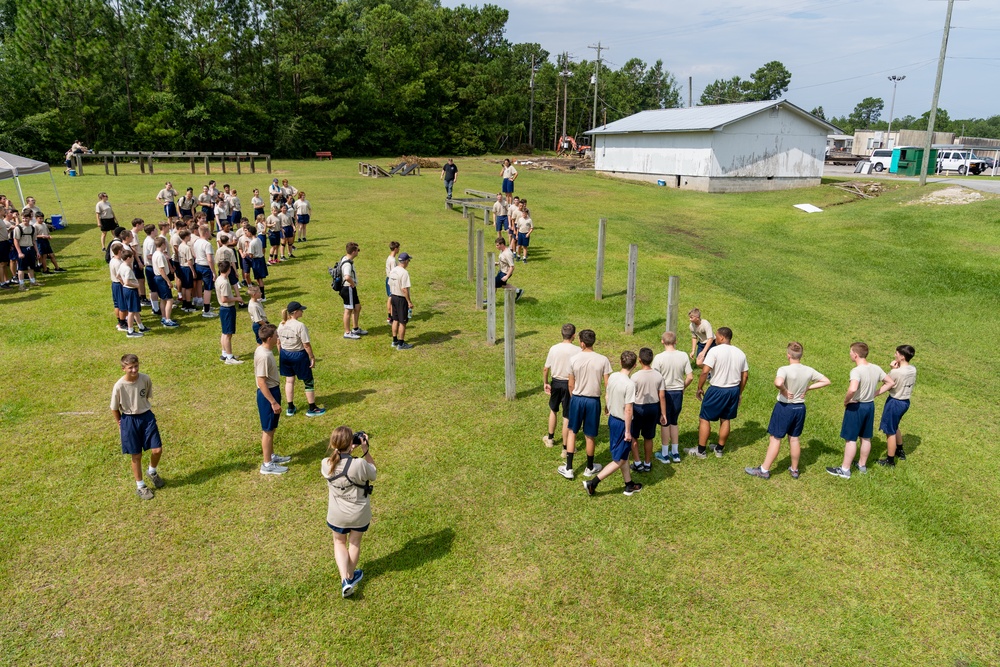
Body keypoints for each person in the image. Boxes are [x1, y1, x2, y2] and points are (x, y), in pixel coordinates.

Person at [745, 342, 830, 480]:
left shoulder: (784, 369)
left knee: (775, 438)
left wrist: (784, 390)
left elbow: (778, 383)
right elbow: (826, 381)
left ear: (788, 355)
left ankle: (764, 470)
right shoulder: (809, 370)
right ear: (800, 355)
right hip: (800, 408)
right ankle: (794, 469)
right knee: (794, 438)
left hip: (785, 408)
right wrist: (808, 388)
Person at [827, 343, 895, 479]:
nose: (850, 354)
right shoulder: (876, 368)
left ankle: (845, 470)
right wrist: (875, 394)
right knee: (866, 437)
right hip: (869, 406)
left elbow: (852, 389)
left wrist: (846, 401)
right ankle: (862, 466)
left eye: (850, 352)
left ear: (855, 355)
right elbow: (890, 383)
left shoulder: (856, 371)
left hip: (856, 406)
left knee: (850, 438)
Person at [322, 426, 376, 598]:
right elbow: (372, 473)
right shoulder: (358, 464)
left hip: (337, 514)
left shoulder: (326, 464)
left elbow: (337, 461)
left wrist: (345, 451)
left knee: (339, 542)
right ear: (350, 444)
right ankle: (349, 578)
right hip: (358, 513)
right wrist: (365, 450)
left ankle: (344, 578)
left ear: (333, 444)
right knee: (354, 543)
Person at [583, 351, 643, 497]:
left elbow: (607, 393)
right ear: (635, 365)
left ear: (620, 362)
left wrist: (607, 406)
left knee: (624, 455)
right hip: (623, 423)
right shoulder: (629, 384)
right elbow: (628, 410)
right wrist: (628, 432)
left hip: (613, 420)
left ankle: (629, 485)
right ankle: (593, 483)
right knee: (620, 459)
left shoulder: (613, 377)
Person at [686, 327, 748, 459]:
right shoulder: (740, 353)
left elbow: (705, 371)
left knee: (704, 418)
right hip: (733, 390)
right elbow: (745, 376)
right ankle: (719, 449)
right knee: (725, 419)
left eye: (716, 337)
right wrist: (739, 392)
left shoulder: (714, 351)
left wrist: (699, 388)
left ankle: (701, 451)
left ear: (722, 338)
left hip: (717, 390)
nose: (715, 339)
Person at [110, 354, 165, 500]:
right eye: (130, 368)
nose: (134, 370)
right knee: (136, 455)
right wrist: (120, 423)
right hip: (129, 420)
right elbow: (114, 408)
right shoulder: (119, 386)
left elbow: (145, 396)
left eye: (136, 366)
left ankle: (152, 471)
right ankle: (141, 486)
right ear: (123, 369)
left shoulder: (145, 379)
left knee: (157, 449)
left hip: (146, 417)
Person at [558, 329, 610, 480]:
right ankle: (589, 467)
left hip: (577, 399)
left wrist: (574, 398)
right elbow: (607, 385)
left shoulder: (573, 359)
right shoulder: (603, 360)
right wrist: (608, 403)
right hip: (593, 401)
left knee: (572, 431)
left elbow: (570, 384)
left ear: (581, 343)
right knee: (590, 435)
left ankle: (569, 468)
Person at [252, 322, 293, 475]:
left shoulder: (263, 349)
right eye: (276, 335)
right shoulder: (264, 356)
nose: (278, 337)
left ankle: (271, 456)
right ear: (269, 338)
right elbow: (261, 381)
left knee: (272, 427)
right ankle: (267, 464)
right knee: (268, 430)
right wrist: (273, 402)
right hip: (268, 394)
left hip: (272, 391)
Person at [277, 301, 326, 417]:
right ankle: (312, 408)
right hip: (298, 355)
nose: (302, 311)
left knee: (289, 380)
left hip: (284, 354)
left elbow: (278, 342)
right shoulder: (300, 326)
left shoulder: (281, 324)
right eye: (301, 310)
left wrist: (281, 354)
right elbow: (306, 345)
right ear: (295, 312)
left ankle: (290, 408)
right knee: (308, 381)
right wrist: (312, 357)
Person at [652, 331, 693, 464]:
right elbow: (690, 376)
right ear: (676, 341)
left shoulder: (659, 358)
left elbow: (654, 378)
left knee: (664, 422)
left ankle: (664, 454)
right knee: (674, 422)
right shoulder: (683, 355)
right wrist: (682, 388)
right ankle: (675, 453)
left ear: (662, 341)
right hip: (677, 393)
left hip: (664, 393)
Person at [629, 348, 668, 473]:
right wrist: (663, 413)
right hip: (653, 408)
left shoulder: (635, 377)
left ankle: (637, 462)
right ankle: (647, 462)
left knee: (634, 436)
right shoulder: (658, 376)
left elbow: (630, 395)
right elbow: (661, 396)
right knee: (648, 437)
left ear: (639, 360)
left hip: (638, 408)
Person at [877, 345, 917, 467]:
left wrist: (891, 369)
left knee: (890, 431)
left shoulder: (896, 372)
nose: (895, 355)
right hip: (905, 402)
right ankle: (900, 451)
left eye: (897, 353)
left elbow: (887, 381)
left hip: (894, 402)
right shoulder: (913, 369)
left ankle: (890, 460)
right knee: (895, 426)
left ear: (902, 357)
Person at [542, 323, 577, 451]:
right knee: (566, 416)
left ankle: (550, 439)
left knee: (553, 410)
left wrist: (546, 382)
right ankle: (565, 447)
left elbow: (546, 368)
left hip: (556, 382)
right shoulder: (577, 350)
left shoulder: (554, 348)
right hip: (569, 384)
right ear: (574, 335)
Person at [214, 260, 243, 364]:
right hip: (227, 309)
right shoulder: (225, 282)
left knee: (224, 332)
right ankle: (229, 358)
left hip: (223, 309)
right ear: (229, 269)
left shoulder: (219, 279)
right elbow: (224, 299)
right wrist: (237, 298)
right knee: (228, 334)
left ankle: (224, 353)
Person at [339, 242, 367, 340]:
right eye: (357, 250)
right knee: (348, 310)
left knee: (357, 307)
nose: (358, 252)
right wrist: (353, 284)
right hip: (348, 288)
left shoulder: (345, 258)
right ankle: (347, 332)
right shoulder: (347, 264)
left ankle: (355, 328)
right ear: (354, 251)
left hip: (350, 288)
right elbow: (347, 277)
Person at [117, 249, 146, 337]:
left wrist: (123, 285)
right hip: (131, 290)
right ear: (129, 258)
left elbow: (118, 276)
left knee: (135, 309)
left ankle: (141, 326)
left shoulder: (122, 265)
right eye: (132, 256)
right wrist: (137, 286)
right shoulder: (127, 269)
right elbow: (127, 282)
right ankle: (130, 331)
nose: (133, 258)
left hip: (126, 290)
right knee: (131, 311)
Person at [150, 237, 179, 327]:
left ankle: (164, 317)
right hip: (162, 278)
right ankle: (167, 319)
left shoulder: (155, 254)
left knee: (163, 299)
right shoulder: (160, 255)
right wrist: (168, 281)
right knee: (169, 299)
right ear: (163, 244)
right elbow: (162, 270)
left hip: (157, 278)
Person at [388, 252, 414, 350]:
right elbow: (404, 289)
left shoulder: (393, 270)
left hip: (393, 296)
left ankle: (394, 340)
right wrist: (409, 302)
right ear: (406, 261)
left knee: (395, 319)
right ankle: (401, 343)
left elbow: (389, 283)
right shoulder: (404, 273)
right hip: (401, 298)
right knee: (403, 322)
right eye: (409, 261)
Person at [192, 224, 217, 317]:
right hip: (206, 267)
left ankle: (205, 306)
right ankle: (206, 311)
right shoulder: (207, 244)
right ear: (206, 232)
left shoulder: (196, 242)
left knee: (201, 286)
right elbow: (210, 259)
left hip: (198, 265)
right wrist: (213, 272)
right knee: (208, 288)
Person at [12, 211, 41, 291]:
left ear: (30, 218)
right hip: (22, 248)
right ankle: (21, 285)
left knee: (31, 266)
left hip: (30, 248)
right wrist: (19, 252)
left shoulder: (32, 228)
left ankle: (33, 282)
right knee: (21, 268)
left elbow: (34, 241)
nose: (24, 219)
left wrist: (37, 252)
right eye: (23, 218)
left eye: (26, 218)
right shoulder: (18, 228)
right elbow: (16, 241)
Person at [492, 237, 523, 302]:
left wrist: (506, 276)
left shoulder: (508, 253)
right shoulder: (502, 250)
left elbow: (512, 266)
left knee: (493, 284)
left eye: (497, 245)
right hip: (501, 271)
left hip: (505, 273)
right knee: (503, 285)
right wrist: (498, 263)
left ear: (502, 244)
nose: (496, 247)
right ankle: (518, 291)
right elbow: (504, 261)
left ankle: (490, 300)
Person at [385, 241, 400, 324]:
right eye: (398, 248)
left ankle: (390, 315)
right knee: (391, 298)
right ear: (395, 249)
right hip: (391, 280)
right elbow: (394, 272)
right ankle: (390, 316)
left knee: (390, 297)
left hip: (389, 279)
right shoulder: (393, 260)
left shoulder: (390, 258)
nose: (399, 250)